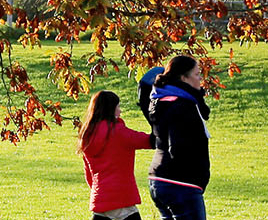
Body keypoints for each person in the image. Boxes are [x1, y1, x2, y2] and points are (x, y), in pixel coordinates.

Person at [147, 55, 212, 220]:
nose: (201, 80)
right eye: (197, 75)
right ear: (184, 78)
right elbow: (178, 146)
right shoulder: (183, 105)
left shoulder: (160, 99)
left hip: (159, 179)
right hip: (181, 184)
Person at [80, 90, 154, 220]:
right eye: (118, 107)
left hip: (101, 200)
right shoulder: (118, 132)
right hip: (122, 199)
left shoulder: (87, 136)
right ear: (111, 109)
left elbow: (89, 175)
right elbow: (150, 141)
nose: (120, 111)